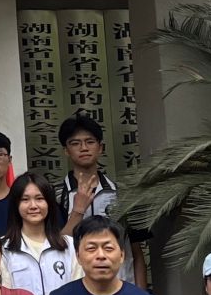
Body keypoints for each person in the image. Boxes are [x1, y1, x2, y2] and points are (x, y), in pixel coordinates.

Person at [56, 116, 148, 284]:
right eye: (75, 143)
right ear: (66, 151)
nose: (84, 148)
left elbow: (136, 250)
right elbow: (56, 246)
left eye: (90, 142)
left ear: (101, 147)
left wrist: (141, 294)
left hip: (121, 285)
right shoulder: (55, 194)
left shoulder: (123, 193)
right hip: (75, 285)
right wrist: (78, 210)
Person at [4, 173, 79, 295]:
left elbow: (78, 293)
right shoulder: (3, 249)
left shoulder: (70, 246)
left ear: (49, 203)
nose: (33, 205)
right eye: (25, 199)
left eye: (39, 198)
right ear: (16, 205)